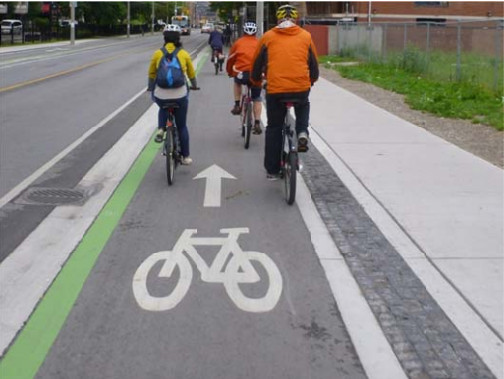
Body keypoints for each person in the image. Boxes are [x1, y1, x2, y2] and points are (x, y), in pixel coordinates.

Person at [251, 4, 319, 180]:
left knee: (274, 127)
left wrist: (256, 81)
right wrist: (310, 81)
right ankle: (302, 131)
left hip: (276, 90)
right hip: (300, 88)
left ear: (277, 19)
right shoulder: (306, 36)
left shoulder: (267, 37)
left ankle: (272, 170)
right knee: (303, 104)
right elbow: (314, 65)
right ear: (295, 19)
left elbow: (256, 65)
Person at [147, 24, 200, 165]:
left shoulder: (158, 53)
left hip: (161, 93)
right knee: (182, 126)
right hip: (180, 94)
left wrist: (151, 87)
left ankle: (161, 128)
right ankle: (186, 156)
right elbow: (191, 73)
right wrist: (194, 85)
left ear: (164, 37)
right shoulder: (183, 54)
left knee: (162, 105)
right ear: (179, 37)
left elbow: (152, 73)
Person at [226, 21, 263, 135]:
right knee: (256, 98)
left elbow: (230, 59)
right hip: (256, 74)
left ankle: (237, 105)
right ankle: (257, 122)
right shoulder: (260, 43)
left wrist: (230, 72)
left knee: (237, 82)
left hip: (241, 73)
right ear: (255, 32)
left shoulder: (238, 43)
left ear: (244, 31)